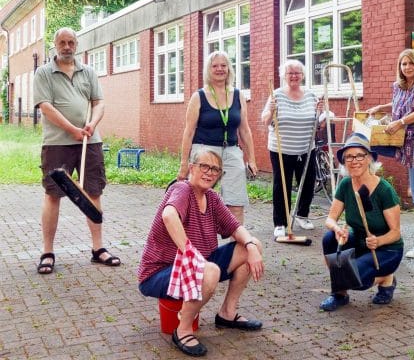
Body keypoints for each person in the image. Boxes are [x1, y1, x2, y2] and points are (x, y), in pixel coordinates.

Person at [138, 149, 264, 357]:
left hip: (201, 264)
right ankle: (183, 330)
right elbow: (169, 215)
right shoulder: (182, 189)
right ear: (191, 168)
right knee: (209, 270)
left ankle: (227, 313)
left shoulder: (212, 198)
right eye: (204, 166)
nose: (209, 172)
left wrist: (251, 246)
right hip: (158, 273)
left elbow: (235, 227)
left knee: (252, 246)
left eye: (215, 169)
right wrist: (190, 253)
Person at [33, 27, 120, 275]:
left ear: (76, 44)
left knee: (93, 191)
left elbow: (99, 102)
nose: (67, 46)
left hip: (89, 142)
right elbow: (45, 107)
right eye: (62, 42)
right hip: (57, 142)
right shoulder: (44, 73)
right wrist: (71, 128)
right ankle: (47, 252)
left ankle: (98, 249)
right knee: (53, 194)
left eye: (71, 42)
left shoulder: (89, 72)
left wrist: (92, 124)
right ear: (55, 44)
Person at [319, 133, 403, 311]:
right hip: (359, 242)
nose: (354, 160)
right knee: (329, 239)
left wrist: (378, 241)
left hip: (386, 248)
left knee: (358, 281)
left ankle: (387, 279)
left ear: (369, 158)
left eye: (359, 155)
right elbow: (330, 219)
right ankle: (339, 294)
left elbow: (396, 233)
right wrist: (336, 229)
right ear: (344, 161)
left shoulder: (385, 190)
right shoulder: (345, 185)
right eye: (349, 156)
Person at [366, 48, 414, 258]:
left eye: (410, 63)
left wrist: (400, 121)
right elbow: (399, 104)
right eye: (403, 64)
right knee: (366, 144)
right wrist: (383, 106)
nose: (406, 67)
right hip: (400, 140)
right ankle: (369, 182)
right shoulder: (400, 86)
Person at [178, 51, 257, 224]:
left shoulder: (238, 95)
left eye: (223, 65)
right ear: (208, 70)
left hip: (232, 151)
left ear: (229, 69)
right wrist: (184, 164)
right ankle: (197, 247)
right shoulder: (198, 96)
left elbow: (244, 129)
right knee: (198, 201)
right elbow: (189, 132)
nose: (220, 69)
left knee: (236, 204)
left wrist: (251, 159)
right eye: (215, 66)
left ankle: (236, 249)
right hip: (204, 152)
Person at [261, 60, 320, 238]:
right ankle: (280, 222)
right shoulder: (276, 95)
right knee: (282, 185)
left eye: (297, 73)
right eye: (290, 73)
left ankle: (302, 215)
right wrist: (271, 110)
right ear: (284, 76)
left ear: (302, 75)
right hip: (281, 149)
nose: (294, 76)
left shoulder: (311, 95)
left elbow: (318, 121)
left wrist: (321, 113)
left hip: (306, 148)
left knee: (308, 182)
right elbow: (265, 120)